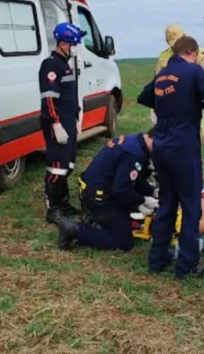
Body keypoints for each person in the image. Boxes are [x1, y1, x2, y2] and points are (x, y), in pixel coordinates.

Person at [138, 35, 204, 280]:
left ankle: (158, 258)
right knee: (190, 207)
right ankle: (186, 266)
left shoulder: (163, 74)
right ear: (193, 53)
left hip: (161, 147)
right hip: (184, 149)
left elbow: (144, 97)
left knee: (167, 203)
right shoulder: (194, 72)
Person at [51, 130, 159, 252]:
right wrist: (142, 201)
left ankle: (95, 221)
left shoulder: (135, 142)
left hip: (95, 189)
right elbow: (122, 189)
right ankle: (74, 229)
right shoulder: (135, 154)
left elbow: (131, 178)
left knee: (129, 218)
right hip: (98, 198)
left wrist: (152, 191)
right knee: (123, 241)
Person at [39, 22, 85, 225]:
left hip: (68, 120)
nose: (75, 48)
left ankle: (63, 202)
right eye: (73, 44)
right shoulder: (52, 65)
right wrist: (56, 124)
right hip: (56, 121)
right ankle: (53, 208)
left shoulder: (65, 64)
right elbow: (49, 98)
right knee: (56, 167)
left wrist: (75, 119)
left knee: (67, 165)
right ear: (64, 43)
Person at [153, 24, 204, 142]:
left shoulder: (197, 53)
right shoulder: (163, 57)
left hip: (191, 100)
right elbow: (157, 80)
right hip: (169, 101)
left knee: (195, 136)